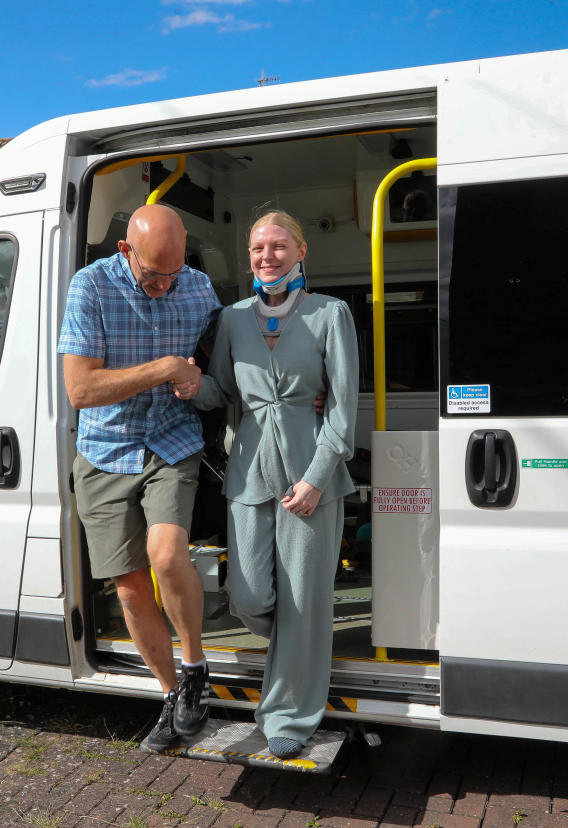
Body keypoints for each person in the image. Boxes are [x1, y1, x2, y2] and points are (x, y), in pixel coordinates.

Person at [184, 210, 359, 759]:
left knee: (306, 603)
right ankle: (296, 651)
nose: (267, 256)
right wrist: (187, 383)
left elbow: (345, 412)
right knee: (250, 594)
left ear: (301, 251)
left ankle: (290, 715)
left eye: (279, 246)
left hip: (312, 477)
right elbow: (222, 395)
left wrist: (315, 479)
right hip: (249, 472)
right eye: (259, 247)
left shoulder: (332, 314)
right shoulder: (233, 318)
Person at [58, 203, 222, 752]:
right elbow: (80, 391)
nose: (164, 285)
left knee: (170, 555)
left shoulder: (197, 290)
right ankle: (174, 693)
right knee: (129, 591)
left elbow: (232, 358)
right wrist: (166, 367)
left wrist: (303, 383)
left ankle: (195, 668)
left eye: (174, 273)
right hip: (105, 450)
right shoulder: (91, 287)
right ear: (126, 251)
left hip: (171, 442)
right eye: (154, 274)